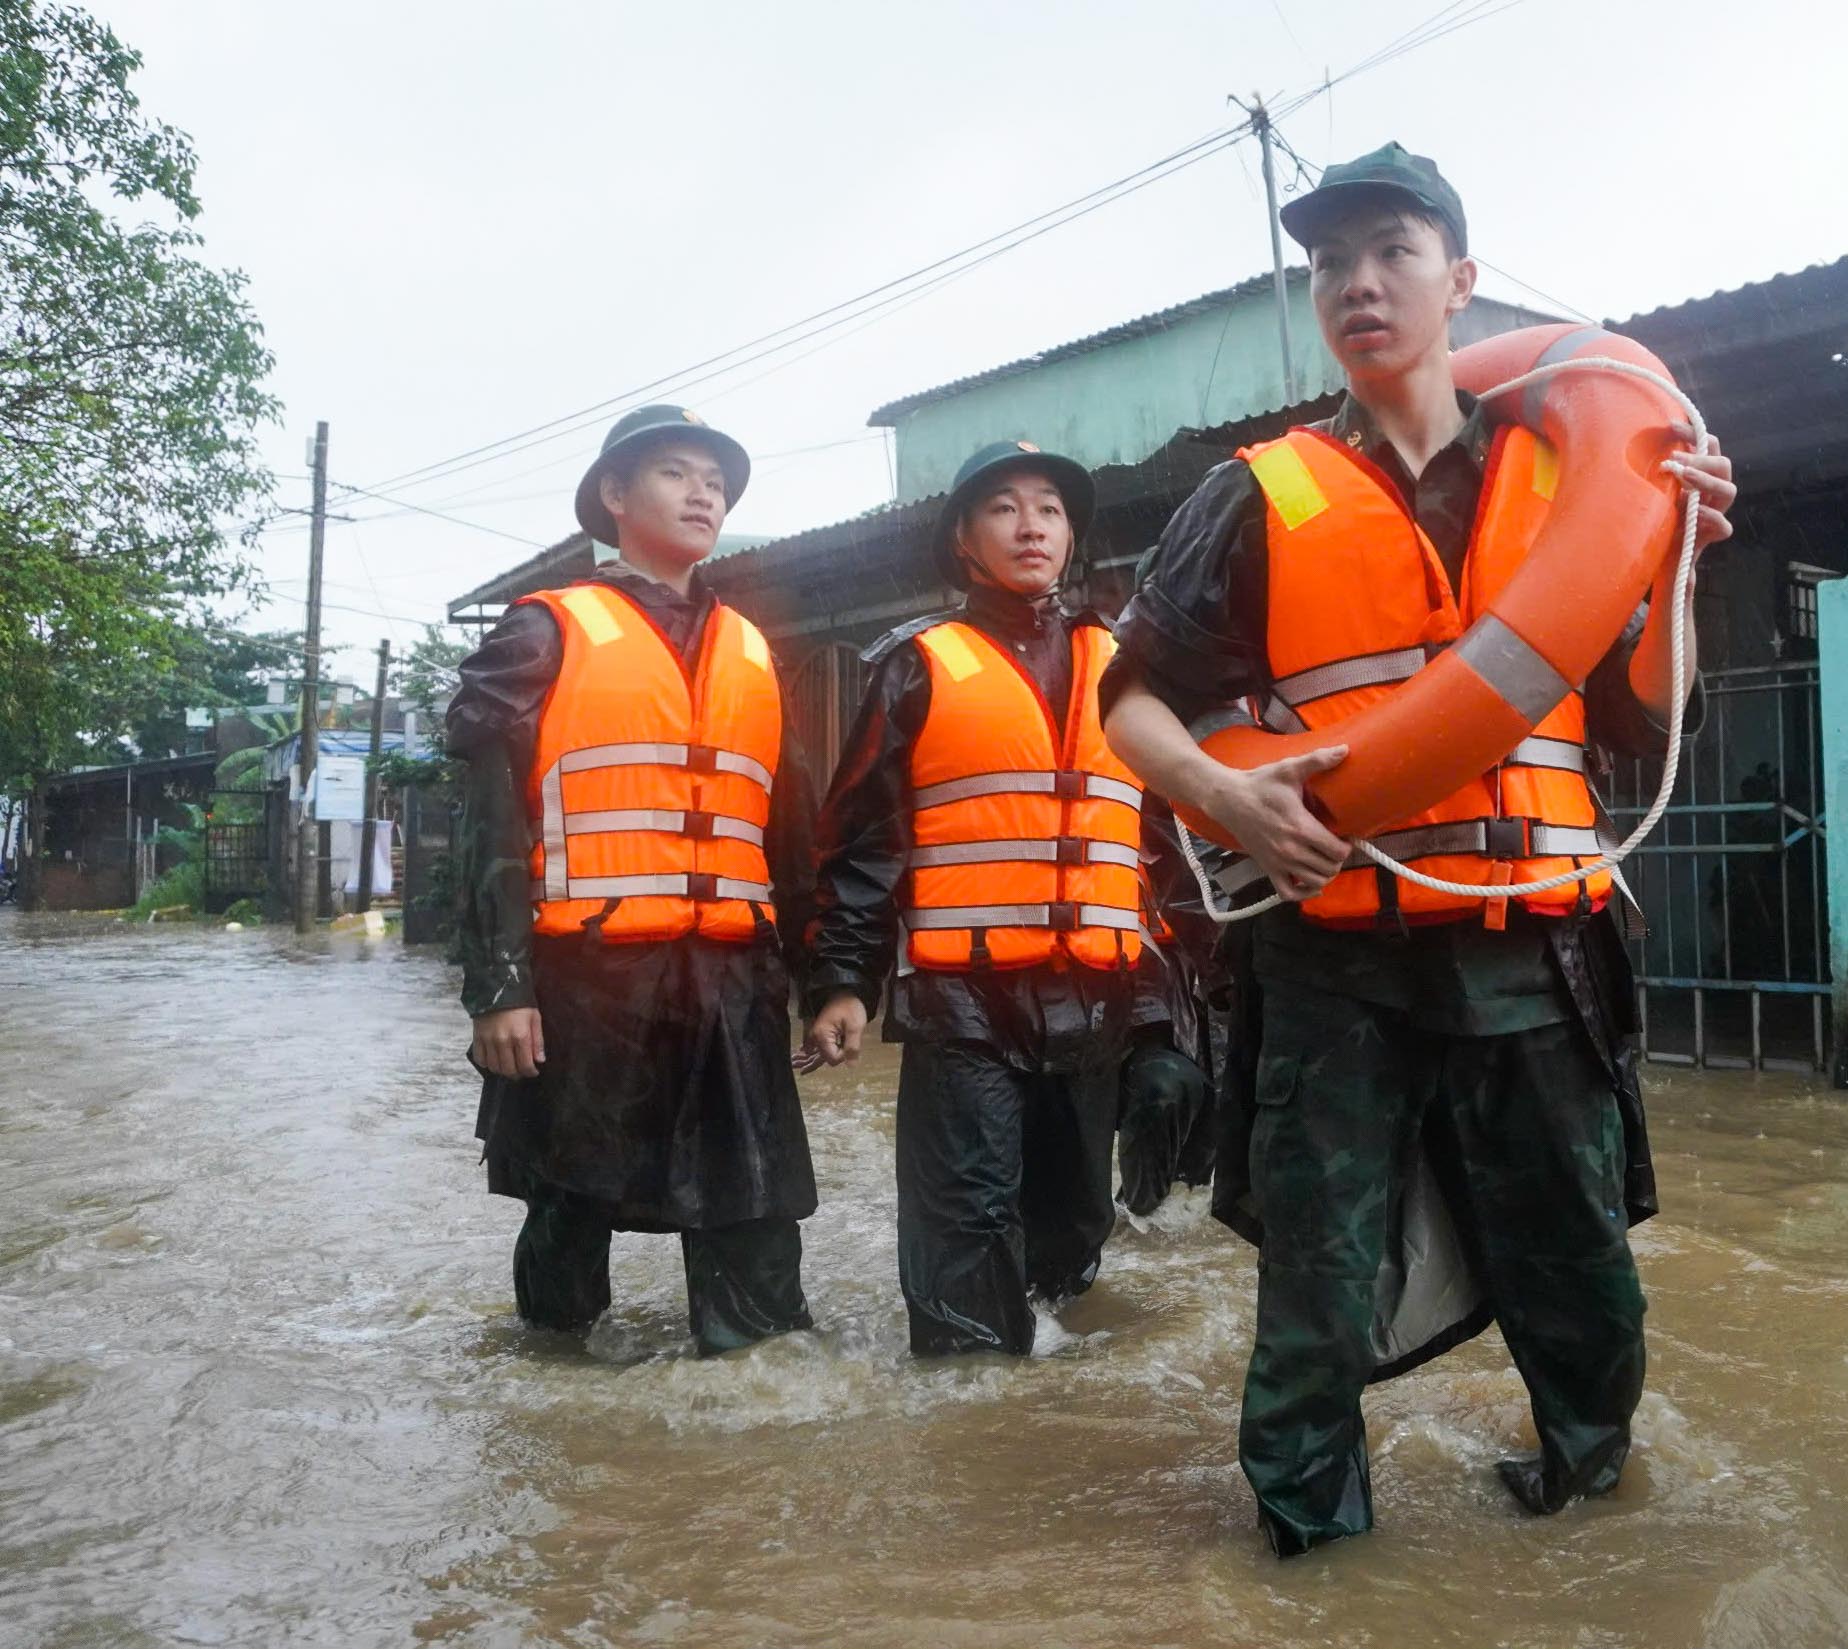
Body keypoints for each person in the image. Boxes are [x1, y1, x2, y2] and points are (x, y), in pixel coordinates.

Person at [1100, 144, 1738, 1555]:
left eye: (1391, 251)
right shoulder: (1255, 493)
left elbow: (1640, 718)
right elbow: (1128, 702)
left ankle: (1585, 1499)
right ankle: (1314, 1550)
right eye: (1329, 265)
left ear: (1461, 279)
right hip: (1339, 954)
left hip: (1539, 944)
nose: (1358, 284)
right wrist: (1221, 790)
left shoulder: (1579, 473)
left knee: (1580, 1271)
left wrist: (1678, 550)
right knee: (1317, 1286)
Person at [805, 441, 1199, 1354]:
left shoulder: (1129, 669)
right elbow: (861, 845)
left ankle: (1046, 1438)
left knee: (1070, 1238)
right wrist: (841, 984)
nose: (1031, 526)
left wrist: (1168, 1025)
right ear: (962, 541)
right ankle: (968, 1414)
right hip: (964, 1007)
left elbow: (1163, 862)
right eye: (1004, 508)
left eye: (1050, 509)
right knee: (969, 1243)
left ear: (1071, 536)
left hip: (1098, 1000)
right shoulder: (914, 664)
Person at [445, 405, 820, 1358]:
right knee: (571, 1207)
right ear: (614, 496)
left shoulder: (751, 647)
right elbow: (489, 823)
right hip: (589, 980)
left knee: (753, 1207)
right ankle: (551, 1398)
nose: (705, 494)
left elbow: (791, 832)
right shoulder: (543, 633)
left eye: (718, 482)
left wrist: (832, 982)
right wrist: (499, 988)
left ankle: (759, 1400)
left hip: (731, 980)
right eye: (677, 473)